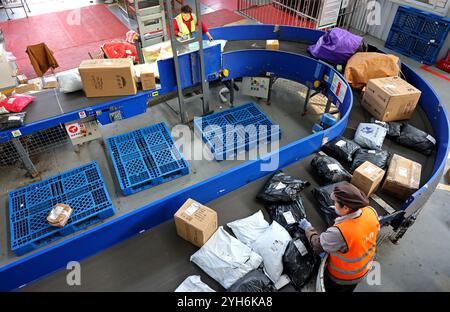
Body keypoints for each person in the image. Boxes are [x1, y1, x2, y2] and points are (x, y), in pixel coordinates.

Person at [298, 182, 380, 292]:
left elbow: (318, 245)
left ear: (346, 208)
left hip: (342, 277)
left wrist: (308, 228)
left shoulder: (339, 232)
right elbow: (368, 230)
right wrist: (343, 215)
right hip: (364, 267)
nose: (333, 203)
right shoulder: (370, 211)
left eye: (335, 202)